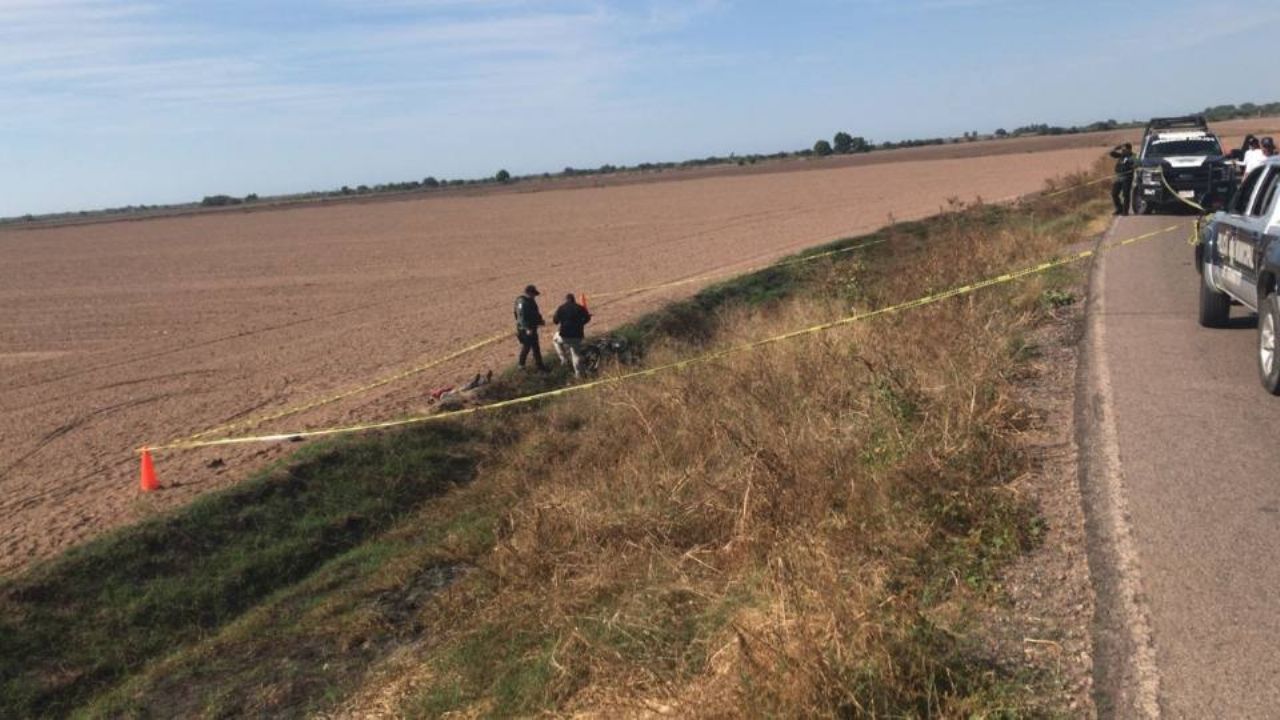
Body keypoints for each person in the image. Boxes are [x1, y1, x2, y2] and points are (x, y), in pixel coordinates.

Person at [552, 293, 592, 377]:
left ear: (566, 300)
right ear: (574, 300)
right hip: (577, 335)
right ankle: (578, 374)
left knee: (555, 340)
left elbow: (555, 321)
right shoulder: (580, 308)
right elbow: (588, 318)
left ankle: (563, 359)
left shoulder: (561, 308)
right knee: (576, 355)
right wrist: (581, 324)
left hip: (564, 336)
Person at [513, 284, 548, 371]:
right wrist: (527, 328)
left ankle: (540, 366)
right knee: (526, 347)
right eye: (533, 294)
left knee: (536, 347)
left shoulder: (530, 301)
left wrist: (540, 321)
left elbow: (535, 313)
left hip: (532, 328)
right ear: (528, 293)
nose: (534, 296)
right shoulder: (522, 302)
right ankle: (521, 365)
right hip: (525, 330)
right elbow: (521, 317)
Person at [1110, 143, 1135, 216]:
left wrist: (1132, 166)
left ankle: (1125, 211)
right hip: (1119, 177)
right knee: (1114, 193)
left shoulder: (1132, 156)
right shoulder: (1121, 156)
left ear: (1129, 149)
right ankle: (1119, 209)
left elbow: (1137, 163)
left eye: (1124, 149)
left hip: (1127, 177)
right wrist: (1116, 148)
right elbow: (1111, 153)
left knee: (1125, 195)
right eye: (1122, 149)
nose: (1123, 150)